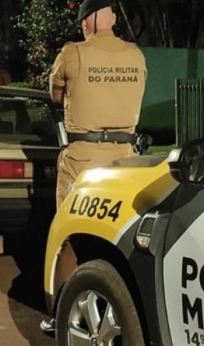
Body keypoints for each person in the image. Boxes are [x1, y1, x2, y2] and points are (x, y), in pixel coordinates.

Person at [40, 0, 147, 334]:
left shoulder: (72, 53)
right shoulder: (137, 56)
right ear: (113, 18)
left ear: (86, 22)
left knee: (67, 234)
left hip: (81, 160)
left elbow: (55, 95)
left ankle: (62, 309)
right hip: (125, 161)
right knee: (115, 235)